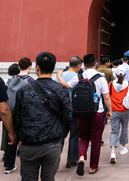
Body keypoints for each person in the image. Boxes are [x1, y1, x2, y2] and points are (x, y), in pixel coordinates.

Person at [14, 51, 72, 181]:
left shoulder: (23, 90)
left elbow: (17, 117)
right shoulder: (61, 89)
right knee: (49, 178)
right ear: (53, 68)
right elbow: (68, 115)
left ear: (37, 68)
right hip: (52, 143)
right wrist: (60, 133)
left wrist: (19, 137)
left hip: (29, 143)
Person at [66, 53, 112, 176]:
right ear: (96, 64)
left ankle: (81, 158)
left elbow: (67, 85)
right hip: (97, 112)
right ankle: (93, 167)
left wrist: (60, 76)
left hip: (81, 113)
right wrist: (110, 110)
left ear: (84, 65)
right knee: (96, 141)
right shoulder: (100, 78)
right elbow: (106, 97)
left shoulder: (79, 76)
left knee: (83, 137)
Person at [56, 56, 83, 168]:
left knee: (60, 134)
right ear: (78, 66)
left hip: (62, 109)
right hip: (74, 108)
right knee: (74, 134)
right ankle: (71, 160)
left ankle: (55, 159)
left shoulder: (60, 76)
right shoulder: (78, 77)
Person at [108, 65, 129, 164]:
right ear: (125, 74)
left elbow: (108, 96)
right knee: (124, 128)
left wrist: (108, 110)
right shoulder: (128, 84)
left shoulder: (111, 84)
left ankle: (113, 151)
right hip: (125, 110)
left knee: (114, 131)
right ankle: (123, 148)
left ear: (115, 74)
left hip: (114, 110)